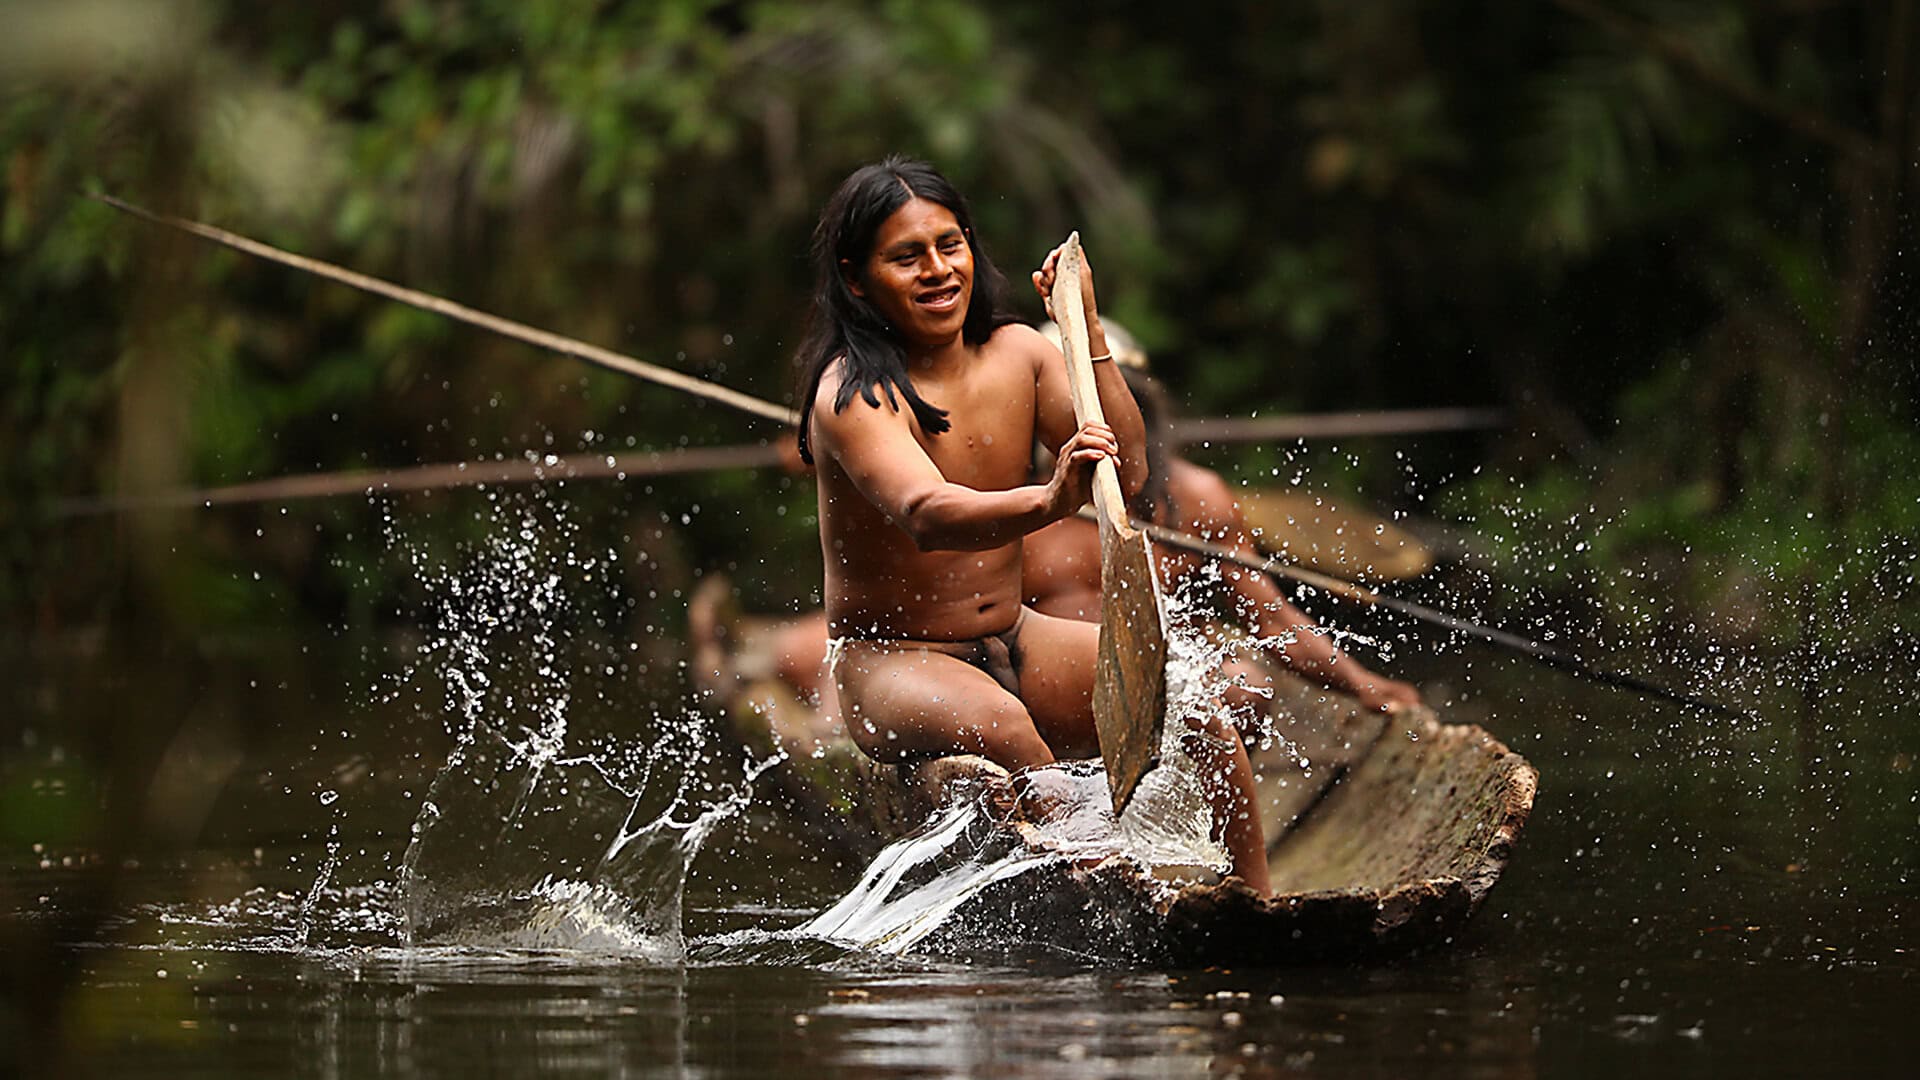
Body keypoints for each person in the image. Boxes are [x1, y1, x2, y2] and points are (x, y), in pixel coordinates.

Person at [792, 156, 1271, 893]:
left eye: (949, 246)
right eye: (906, 256)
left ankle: (1255, 900)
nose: (937, 270)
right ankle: (1115, 896)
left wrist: (1086, 331)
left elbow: (1132, 474)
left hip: (1015, 633)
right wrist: (1051, 500)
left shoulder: (1020, 350)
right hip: (891, 660)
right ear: (858, 280)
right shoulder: (853, 394)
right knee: (1008, 730)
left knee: (1192, 701)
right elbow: (927, 513)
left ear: (972, 248)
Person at [1022, 321, 1421, 726]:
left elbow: (1271, 619)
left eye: (1112, 404)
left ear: (1137, 406)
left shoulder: (1194, 498)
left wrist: (1361, 683)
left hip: (1167, 693)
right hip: (1055, 702)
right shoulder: (1007, 507)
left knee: (1242, 687)